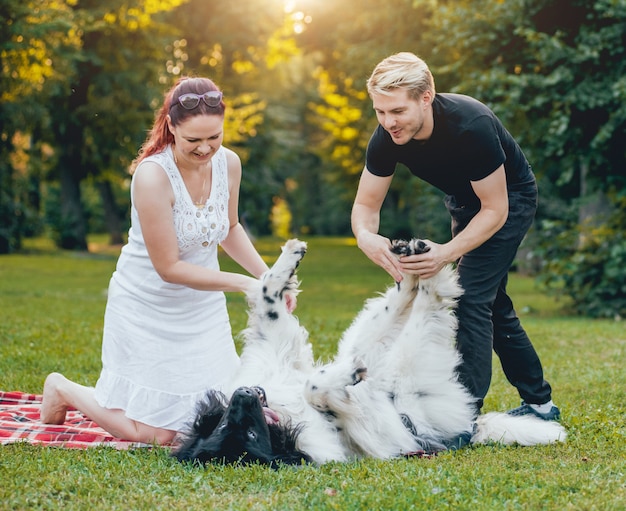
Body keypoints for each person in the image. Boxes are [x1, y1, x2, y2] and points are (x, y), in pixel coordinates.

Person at [41, 76, 295, 444]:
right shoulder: (152, 176)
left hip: (201, 307)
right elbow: (169, 267)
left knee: (208, 420)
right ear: (171, 127)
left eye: (215, 137)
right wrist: (244, 284)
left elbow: (230, 227)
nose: (206, 149)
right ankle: (63, 388)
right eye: (194, 140)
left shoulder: (230, 164)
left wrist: (271, 280)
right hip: (148, 304)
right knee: (160, 435)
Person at [351, 52, 560, 422]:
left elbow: (495, 209)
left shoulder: (470, 126)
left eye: (397, 111)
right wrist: (366, 237)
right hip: (466, 203)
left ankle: (460, 417)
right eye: (380, 112)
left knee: (470, 296)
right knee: (493, 303)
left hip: (508, 199)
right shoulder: (386, 138)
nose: (388, 122)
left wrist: (445, 253)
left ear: (426, 96)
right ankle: (540, 405)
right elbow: (366, 206)